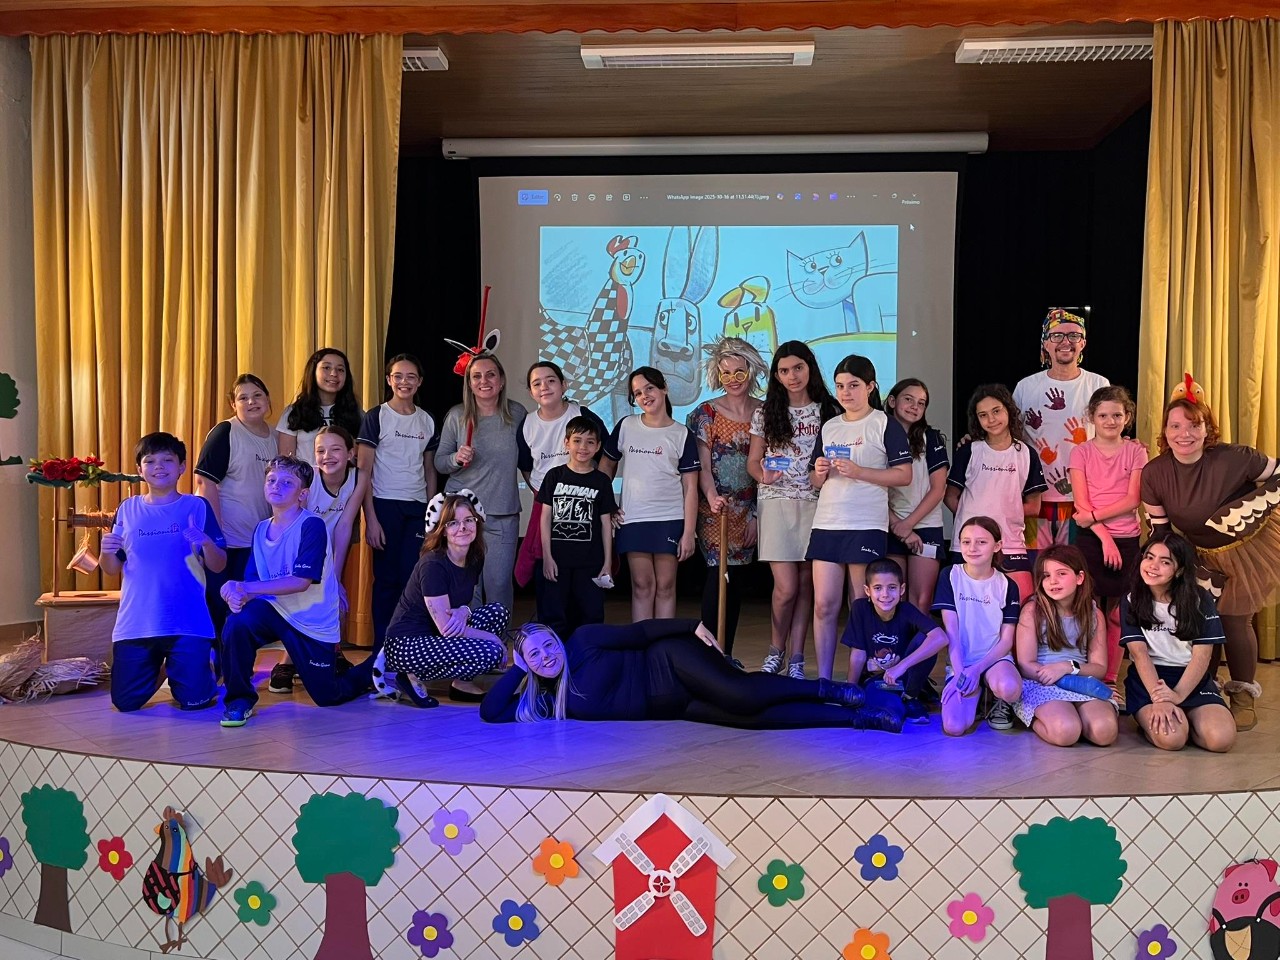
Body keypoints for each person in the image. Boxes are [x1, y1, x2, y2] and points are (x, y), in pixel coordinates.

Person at [1140, 380, 1280, 730]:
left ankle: (1243, 694)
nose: (1184, 434)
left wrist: (1248, 508)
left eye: (1194, 425)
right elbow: (1160, 531)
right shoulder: (1155, 473)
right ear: (1165, 431)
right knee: (1203, 620)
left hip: (1248, 550)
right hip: (1197, 552)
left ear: (1207, 428)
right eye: (1175, 426)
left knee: (1234, 620)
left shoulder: (1237, 457)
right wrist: (1165, 568)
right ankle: (1207, 689)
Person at [480, 618, 904, 731]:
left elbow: (640, 633)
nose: (547, 656)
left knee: (742, 695)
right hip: (674, 705)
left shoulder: (583, 642)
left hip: (669, 661)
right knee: (752, 720)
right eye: (535, 655)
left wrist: (691, 626)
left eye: (548, 645)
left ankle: (831, 690)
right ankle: (855, 718)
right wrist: (517, 669)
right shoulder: (544, 700)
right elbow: (491, 712)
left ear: (557, 639)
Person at [218, 456, 375, 726]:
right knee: (237, 623)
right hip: (275, 609)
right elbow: (254, 582)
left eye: (287, 482)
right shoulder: (260, 529)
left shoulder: (312, 525)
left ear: (302, 494)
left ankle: (375, 667)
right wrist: (236, 596)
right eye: (271, 480)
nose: (276, 486)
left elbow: (301, 582)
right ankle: (239, 700)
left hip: (310, 620)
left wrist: (243, 587)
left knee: (328, 696)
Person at [101, 432, 226, 712]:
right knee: (125, 703)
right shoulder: (127, 509)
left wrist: (206, 543)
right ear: (139, 469)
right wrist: (105, 551)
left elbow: (219, 564)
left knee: (195, 702)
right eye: (150, 461)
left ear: (182, 467)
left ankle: (200, 668)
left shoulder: (197, 506)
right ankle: (167, 668)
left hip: (188, 622)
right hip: (137, 623)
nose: (159, 466)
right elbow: (111, 569)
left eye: (168, 460)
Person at [807, 355, 912, 680]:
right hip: (827, 523)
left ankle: (859, 680)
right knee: (823, 605)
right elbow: (814, 481)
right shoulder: (830, 426)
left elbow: (904, 474)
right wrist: (819, 472)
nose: (846, 392)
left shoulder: (884, 423)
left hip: (865, 524)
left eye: (853, 385)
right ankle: (825, 680)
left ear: (871, 387)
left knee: (861, 605)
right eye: (840, 386)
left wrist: (860, 471)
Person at [748, 341, 840, 678]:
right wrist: (764, 475)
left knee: (805, 584)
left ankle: (797, 658)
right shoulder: (765, 412)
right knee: (785, 587)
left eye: (798, 368)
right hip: (776, 501)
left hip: (818, 502)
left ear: (809, 368)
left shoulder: (829, 410)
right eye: (784, 371)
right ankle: (776, 650)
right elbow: (753, 462)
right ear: (776, 376)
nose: (792, 376)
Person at [382, 491, 510, 707]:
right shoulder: (433, 564)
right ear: (442, 530)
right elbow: (447, 629)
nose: (463, 527)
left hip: (437, 634)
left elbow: (458, 604)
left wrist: (464, 611)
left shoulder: (475, 556)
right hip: (406, 644)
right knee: (492, 651)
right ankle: (409, 675)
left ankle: (462, 684)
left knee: (497, 612)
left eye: (469, 520)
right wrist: (493, 639)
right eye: (453, 523)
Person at [269, 425, 367, 694]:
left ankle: (331, 651)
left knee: (334, 599)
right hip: (302, 551)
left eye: (335, 449)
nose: (327, 456)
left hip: (331, 551)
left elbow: (345, 525)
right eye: (320, 450)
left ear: (351, 453)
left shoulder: (358, 477)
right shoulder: (308, 480)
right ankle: (287, 661)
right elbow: (295, 524)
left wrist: (334, 577)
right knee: (301, 603)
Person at [687, 336, 767, 663]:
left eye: (739, 372)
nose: (733, 379)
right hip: (715, 510)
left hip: (750, 510)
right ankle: (711, 658)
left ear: (752, 371)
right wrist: (711, 497)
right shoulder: (705, 413)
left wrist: (757, 515)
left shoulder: (765, 412)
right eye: (726, 373)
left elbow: (768, 464)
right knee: (717, 577)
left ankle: (726, 655)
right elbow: (703, 467)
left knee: (735, 583)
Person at [1120, 531, 1236, 752]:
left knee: (1220, 740)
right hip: (1150, 680)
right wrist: (1161, 698)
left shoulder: (1200, 599)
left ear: (1180, 570)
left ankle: (1191, 719)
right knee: (1172, 740)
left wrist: (1178, 695)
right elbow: (1139, 654)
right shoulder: (1130, 599)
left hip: (1191, 679)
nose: (1153, 566)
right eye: (1149, 557)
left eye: (1165, 562)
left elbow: (1202, 656)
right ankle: (1164, 721)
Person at [601, 367, 701, 621]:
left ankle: (663, 642)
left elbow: (691, 488)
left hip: (669, 519)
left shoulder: (682, 434)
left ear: (664, 388)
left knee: (666, 586)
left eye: (649, 388)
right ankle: (642, 641)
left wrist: (688, 532)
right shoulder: (626, 426)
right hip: (633, 519)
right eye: (637, 393)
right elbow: (606, 467)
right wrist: (608, 504)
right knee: (642, 586)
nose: (644, 396)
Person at [434, 353, 526, 620]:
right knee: (467, 587)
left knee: (498, 584)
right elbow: (440, 462)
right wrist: (456, 458)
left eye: (490, 374)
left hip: (502, 513)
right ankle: (471, 639)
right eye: (476, 376)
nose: (484, 381)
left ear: (501, 380)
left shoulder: (517, 414)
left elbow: (529, 459)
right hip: (463, 514)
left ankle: (498, 638)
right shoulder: (457, 416)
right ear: (469, 383)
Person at [357, 353, 438, 652]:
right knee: (386, 580)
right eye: (398, 376)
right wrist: (371, 519)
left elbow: (429, 470)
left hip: (417, 508)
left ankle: (408, 648)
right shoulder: (376, 416)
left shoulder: (427, 420)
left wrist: (431, 515)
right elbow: (364, 471)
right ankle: (382, 650)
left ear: (420, 382)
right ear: (389, 380)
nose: (405, 382)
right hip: (384, 505)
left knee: (412, 578)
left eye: (411, 376)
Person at [1011, 308, 1110, 553]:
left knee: (1074, 563)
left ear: (1083, 343)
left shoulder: (1099, 384)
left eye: (1074, 335)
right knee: (1037, 563)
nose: (1066, 342)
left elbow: (1111, 432)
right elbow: (1009, 435)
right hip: (1035, 497)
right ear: (1045, 343)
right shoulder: (1026, 387)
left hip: (1083, 498)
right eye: (1057, 336)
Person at [1068, 385, 1147, 685]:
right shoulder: (1081, 452)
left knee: (1116, 613)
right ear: (1091, 417)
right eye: (1103, 415)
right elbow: (1082, 504)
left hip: (1127, 539)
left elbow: (1132, 499)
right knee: (1087, 611)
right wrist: (1104, 536)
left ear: (1127, 417)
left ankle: (1110, 679)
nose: (1110, 421)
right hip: (1091, 538)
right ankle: (1084, 674)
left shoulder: (1136, 451)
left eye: (1117, 415)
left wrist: (1094, 518)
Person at [515, 360, 607, 600]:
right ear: (531, 392)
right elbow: (526, 467)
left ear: (564, 385)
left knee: (581, 565)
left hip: (583, 499)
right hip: (546, 501)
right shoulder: (527, 424)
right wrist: (542, 492)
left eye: (551, 380)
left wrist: (599, 488)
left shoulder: (582, 415)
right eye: (537, 383)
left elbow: (607, 453)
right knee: (546, 564)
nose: (544, 387)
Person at [945, 384, 1046, 602]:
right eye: (983, 415)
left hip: (1010, 543)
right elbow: (950, 496)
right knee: (967, 605)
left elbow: (1034, 506)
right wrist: (971, 519)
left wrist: (1003, 514)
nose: (991, 419)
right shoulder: (969, 451)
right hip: (969, 545)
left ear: (1009, 410)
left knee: (1023, 603)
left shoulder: (1027, 454)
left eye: (996, 411)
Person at [195, 373, 278, 638]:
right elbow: (204, 481)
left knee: (247, 612)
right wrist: (216, 535)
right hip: (227, 542)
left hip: (258, 542)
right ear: (233, 404)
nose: (251, 402)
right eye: (243, 398)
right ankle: (217, 661)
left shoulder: (277, 437)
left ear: (268, 400)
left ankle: (238, 660)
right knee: (219, 609)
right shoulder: (226, 432)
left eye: (257, 395)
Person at [1012, 546, 1118, 747]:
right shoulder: (1033, 610)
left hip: (1079, 680)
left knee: (1104, 732)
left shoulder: (1093, 614)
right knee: (1066, 732)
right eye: (1046, 576)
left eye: (1061, 574)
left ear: (1079, 578)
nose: (1053, 581)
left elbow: (1099, 667)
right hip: (1043, 682)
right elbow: (1025, 664)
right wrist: (1053, 675)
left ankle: (1077, 717)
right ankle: (1031, 716)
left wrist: (1067, 668)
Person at [933, 516, 1023, 735]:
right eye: (966, 542)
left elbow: (1006, 641)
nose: (972, 548)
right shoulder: (950, 575)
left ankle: (996, 697)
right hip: (961, 662)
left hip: (994, 660)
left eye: (981, 542)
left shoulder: (1007, 585)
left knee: (1010, 689)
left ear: (997, 546)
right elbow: (951, 632)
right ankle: (978, 693)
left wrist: (977, 670)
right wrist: (961, 674)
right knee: (954, 727)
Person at [537, 416, 617, 637]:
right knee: (555, 615)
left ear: (598, 446)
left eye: (590, 442)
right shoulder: (554, 476)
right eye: (577, 440)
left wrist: (607, 563)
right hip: (558, 561)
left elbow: (606, 524)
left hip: (590, 563)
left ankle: (587, 654)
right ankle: (556, 656)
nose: (583, 447)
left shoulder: (601, 481)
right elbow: (545, 518)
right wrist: (547, 557)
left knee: (590, 615)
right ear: (566, 443)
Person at [843, 558, 948, 724]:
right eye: (878, 588)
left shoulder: (906, 610)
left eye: (892, 587)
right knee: (885, 706)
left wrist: (901, 666)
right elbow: (858, 655)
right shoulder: (860, 608)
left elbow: (941, 637)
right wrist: (850, 691)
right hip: (877, 680)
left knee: (925, 638)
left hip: (903, 677)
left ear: (902, 589)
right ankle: (904, 699)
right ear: (867, 590)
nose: (885, 594)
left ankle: (911, 697)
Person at [884, 378, 949, 615]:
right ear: (892, 401)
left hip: (926, 526)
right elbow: (871, 490)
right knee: (892, 600)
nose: (914, 406)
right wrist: (897, 525)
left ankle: (919, 642)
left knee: (920, 602)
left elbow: (938, 489)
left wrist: (908, 525)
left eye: (921, 403)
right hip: (890, 526)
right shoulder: (878, 436)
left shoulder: (931, 438)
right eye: (908, 399)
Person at [275, 347, 363, 465]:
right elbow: (286, 463)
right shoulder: (293, 413)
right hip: (307, 477)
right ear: (313, 372)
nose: (334, 373)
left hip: (347, 477)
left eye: (340, 369)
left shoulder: (357, 414)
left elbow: (363, 459)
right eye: (326, 368)